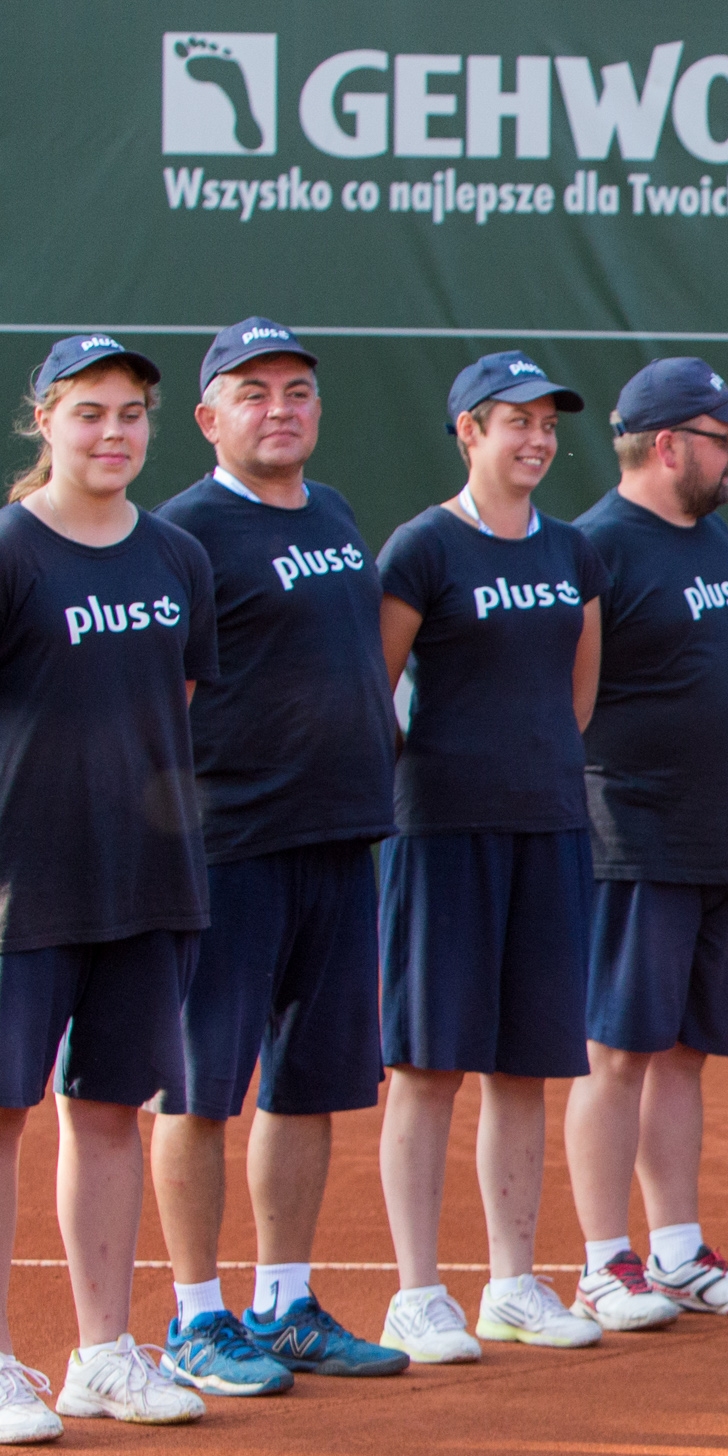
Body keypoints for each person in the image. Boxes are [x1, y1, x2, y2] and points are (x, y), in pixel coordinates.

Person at [150, 318, 405, 1390]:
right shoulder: (183, 533)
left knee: (306, 1086)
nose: (281, 407)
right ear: (209, 418)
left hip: (341, 840)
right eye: (253, 392)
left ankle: (285, 1299)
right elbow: (162, 700)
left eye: (296, 389)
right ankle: (196, 1316)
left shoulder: (338, 513)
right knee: (200, 1089)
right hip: (229, 848)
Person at [0, 335, 218, 1441]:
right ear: (45, 421)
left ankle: (100, 1353)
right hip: (18, 889)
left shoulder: (176, 557)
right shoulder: (9, 550)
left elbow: (172, 702)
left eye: (131, 412)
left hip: (144, 882)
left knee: (110, 1114)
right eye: (89, 412)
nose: (114, 432)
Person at [372, 352, 610, 1358]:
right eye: (511, 421)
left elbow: (579, 695)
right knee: (428, 1066)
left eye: (546, 422)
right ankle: (416, 1290)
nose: (535, 438)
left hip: (548, 828)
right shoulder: (422, 547)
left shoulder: (572, 551)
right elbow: (375, 691)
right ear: (467, 432)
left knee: (524, 1066)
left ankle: (512, 1280)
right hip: (441, 835)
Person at [566, 359, 728, 1327]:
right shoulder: (593, 548)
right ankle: (601, 1260)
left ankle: (675, 1249)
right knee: (619, 1049)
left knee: (686, 1051)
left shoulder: (712, 533)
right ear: (667, 445)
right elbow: (569, 704)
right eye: (723, 437)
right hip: (636, 833)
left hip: (716, 831)